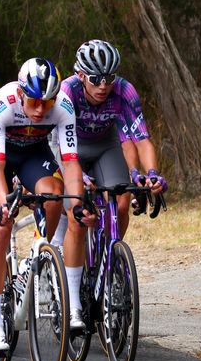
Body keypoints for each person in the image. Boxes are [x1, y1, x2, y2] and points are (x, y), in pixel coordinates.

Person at [0, 58, 84, 351]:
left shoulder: (63, 106)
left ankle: (34, 255)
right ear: (22, 93)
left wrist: (76, 205)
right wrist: (4, 205)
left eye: (47, 103)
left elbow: (72, 163)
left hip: (32, 154)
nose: (40, 111)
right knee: (0, 227)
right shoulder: (3, 103)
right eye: (34, 102)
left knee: (54, 195)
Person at [62, 40, 166, 239]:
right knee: (76, 210)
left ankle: (110, 259)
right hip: (71, 148)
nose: (103, 86)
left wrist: (152, 175)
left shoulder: (124, 90)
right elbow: (57, 140)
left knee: (121, 204)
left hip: (105, 145)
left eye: (109, 78)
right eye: (95, 79)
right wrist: (79, 176)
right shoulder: (67, 91)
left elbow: (141, 140)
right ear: (81, 75)